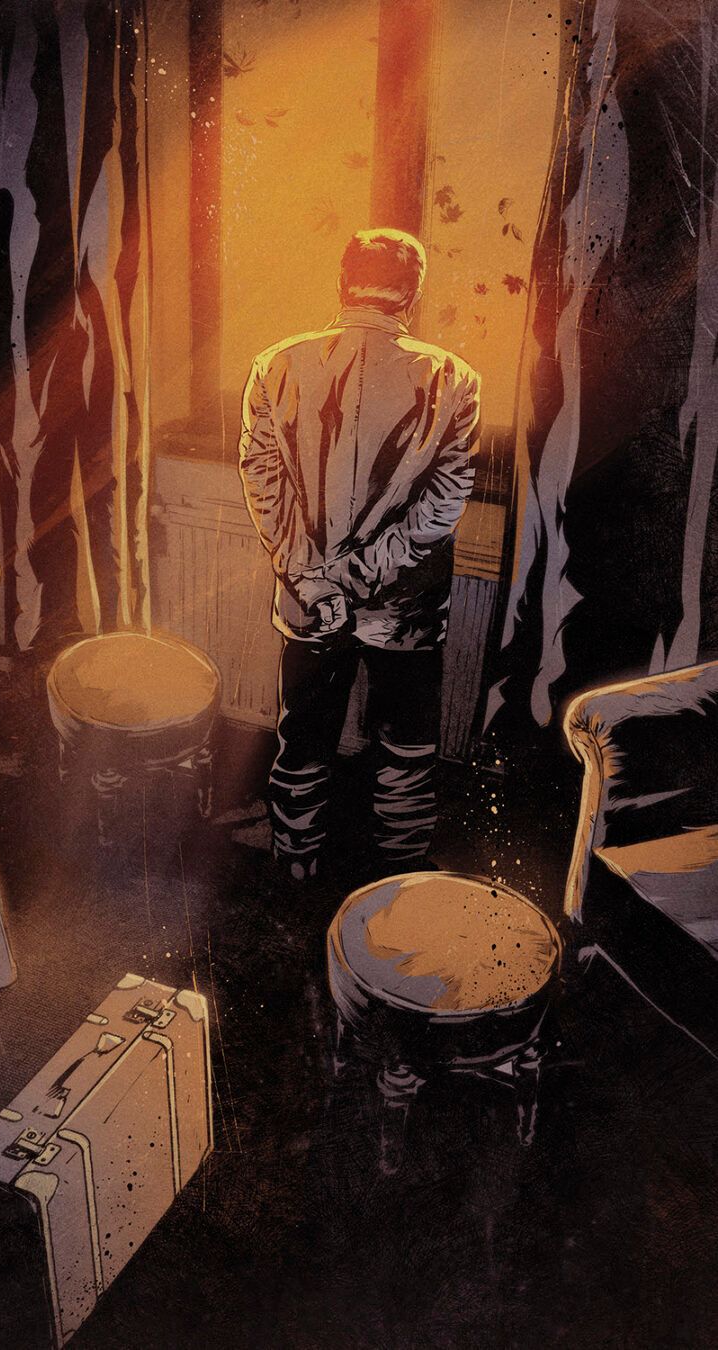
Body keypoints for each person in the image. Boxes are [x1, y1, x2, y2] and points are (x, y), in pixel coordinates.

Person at [238, 228, 481, 883]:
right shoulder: (454, 377)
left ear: (343, 284)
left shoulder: (275, 364)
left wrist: (314, 576)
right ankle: (401, 871)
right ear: (413, 293)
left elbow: (261, 481)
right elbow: (443, 505)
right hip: (405, 606)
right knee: (407, 745)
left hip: (308, 601)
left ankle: (296, 860)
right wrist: (361, 574)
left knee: (304, 734)